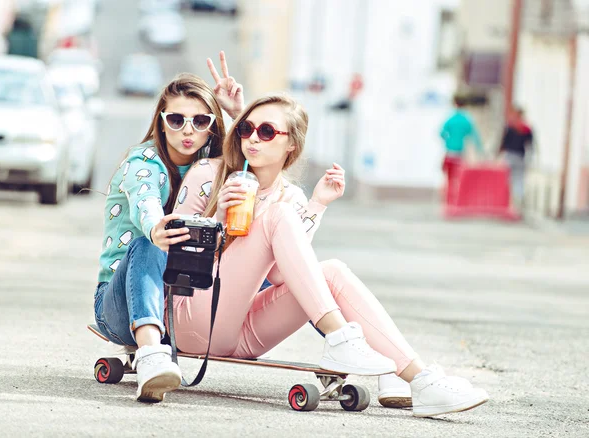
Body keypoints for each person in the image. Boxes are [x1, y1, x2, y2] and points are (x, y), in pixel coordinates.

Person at [171, 93, 490, 417]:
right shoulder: (209, 175)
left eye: (266, 131)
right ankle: (341, 338)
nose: (253, 138)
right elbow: (172, 252)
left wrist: (317, 206)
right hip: (192, 318)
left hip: (240, 333)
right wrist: (218, 220)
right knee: (280, 217)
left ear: (290, 144)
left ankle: (420, 380)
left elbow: (283, 276)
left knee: (333, 271)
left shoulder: (291, 198)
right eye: (246, 128)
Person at [93, 52, 244, 403]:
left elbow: (259, 154)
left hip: (181, 299)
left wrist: (237, 113)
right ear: (161, 121)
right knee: (151, 245)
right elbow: (145, 200)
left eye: (199, 120)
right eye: (176, 120)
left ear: (211, 123)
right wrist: (154, 229)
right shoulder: (143, 163)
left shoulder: (213, 166)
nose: (187, 130)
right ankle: (149, 356)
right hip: (118, 304)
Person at [440, 94, 484, 204]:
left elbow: (441, 133)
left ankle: (447, 199)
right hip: (460, 153)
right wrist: (480, 150)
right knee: (458, 177)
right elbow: (474, 137)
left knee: (449, 178)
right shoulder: (466, 120)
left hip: (450, 152)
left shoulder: (450, 119)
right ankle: (457, 199)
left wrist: (448, 141)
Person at [499, 106, 534, 210]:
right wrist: (530, 158)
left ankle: (507, 204)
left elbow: (503, 142)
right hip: (520, 157)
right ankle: (517, 204)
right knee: (519, 180)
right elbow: (530, 145)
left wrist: (498, 154)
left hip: (509, 156)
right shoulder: (526, 128)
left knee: (506, 179)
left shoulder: (510, 126)